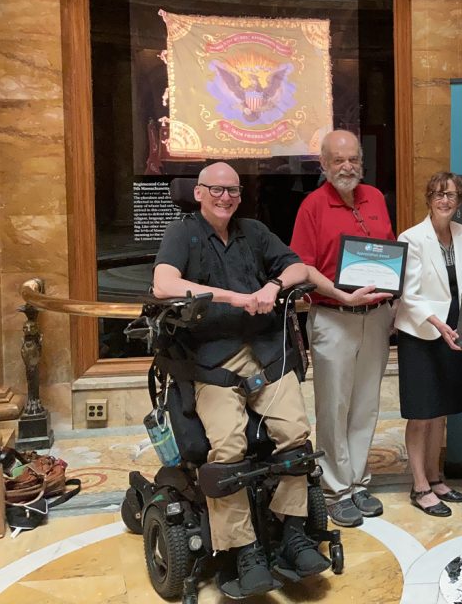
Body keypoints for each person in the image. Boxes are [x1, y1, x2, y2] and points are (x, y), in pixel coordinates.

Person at [152, 161, 328, 597]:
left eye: (232, 190)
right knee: (228, 447)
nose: (225, 197)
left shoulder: (253, 231)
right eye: (216, 189)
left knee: (295, 437)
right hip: (212, 363)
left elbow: (299, 268)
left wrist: (271, 288)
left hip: (266, 356)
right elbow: (163, 283)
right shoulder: (183, 233)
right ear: (198, 192)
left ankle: (292, 533)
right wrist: (232, 298)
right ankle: (242, 549)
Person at [290, 130, 395, 528]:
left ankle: (357, 480)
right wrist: (340, 294)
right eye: (338, 161)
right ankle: (335, 488)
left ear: (361, 162)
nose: (347, 167)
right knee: (334, 405)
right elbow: (303, 266)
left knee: (366, 402)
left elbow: (387, 253)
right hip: (334, 316)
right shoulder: (312, 206)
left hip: (376, 316)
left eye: (353, 159)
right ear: (324, 165)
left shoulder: (376, 199)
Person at [394, 171, 462, 517]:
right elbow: (408, 295)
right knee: (420, 413)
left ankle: (436, 476)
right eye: (439, 195)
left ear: (460, 201)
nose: (445, 201)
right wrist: (440, 325)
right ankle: (419, 485)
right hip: (421, 332)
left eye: (451, 195)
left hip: (454, 327)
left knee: (440, 410)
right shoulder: (411, 238)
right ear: (429, 199)